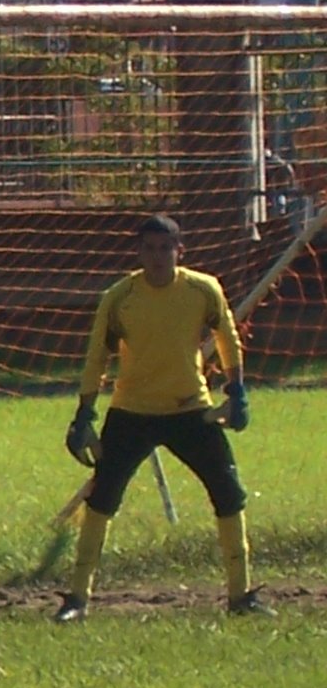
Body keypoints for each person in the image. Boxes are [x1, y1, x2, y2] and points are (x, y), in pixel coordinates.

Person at [55, 214, 271, 623]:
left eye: (164, 248)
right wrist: (84, 412)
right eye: (149, 249)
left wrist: (237, 391)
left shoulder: (202, 290)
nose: (157, 257)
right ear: (138, 253)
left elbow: (228, 338)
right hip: (131, 412)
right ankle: (78, 599)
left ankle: (240, 596)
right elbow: (96, 357)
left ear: (179, 251)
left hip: (191, 411)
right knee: (102, 498)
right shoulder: (119, 297)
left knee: (229, 493)